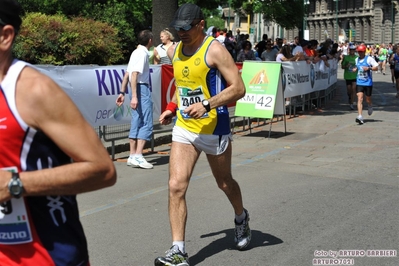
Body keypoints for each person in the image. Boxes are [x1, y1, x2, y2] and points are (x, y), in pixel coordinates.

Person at [0, 1, 117, 265]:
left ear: (5, 36)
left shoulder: (34, 91)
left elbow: (102, 169)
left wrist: (15, 185)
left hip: (46, 256)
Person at [154, 3, 251, 266]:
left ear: (199, 24)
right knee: (176, 186)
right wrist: (172, 107)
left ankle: (241, 218)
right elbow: (183, 86)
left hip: (213, 128)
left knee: (224, 183)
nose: (181, 33)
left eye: (186, 28)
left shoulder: (215, 50)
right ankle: (178, 251)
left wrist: (207, 104)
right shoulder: (175, 50)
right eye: (178, 29)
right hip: (185, 128)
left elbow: (239, 88)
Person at [116, 30, 154, 169]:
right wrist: (134, 96)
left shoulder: (135, 52)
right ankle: (138, 155)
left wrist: (122, 92)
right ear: (150, 40)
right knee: (146, 121)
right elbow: (134, 74)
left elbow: (127, 73)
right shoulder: (142, 53)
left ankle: (132, 155)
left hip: (136, 89)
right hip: (140, 88)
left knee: (137, 120)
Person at [352, 44, 379, 125]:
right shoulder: (356, 59)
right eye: (359, 52)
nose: (360, 53)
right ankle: (360, 116)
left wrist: (369, 68)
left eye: (361, 52)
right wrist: (355, 69)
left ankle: (370, 105)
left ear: (364, 52)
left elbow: (376, 67)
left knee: (367, 99)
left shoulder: (369, 59)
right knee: (359, 98)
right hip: (359, 82)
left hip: (368, 83)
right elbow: (357, 67)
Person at [341, 44, 358, 110]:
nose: (352, 51)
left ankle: (351, 103)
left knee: (354, 89)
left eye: (353, 50)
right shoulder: (346, 57)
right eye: (351, 50)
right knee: (349, 90)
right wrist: (346, 66)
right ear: (349, 51)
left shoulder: (357, 58)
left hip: (355, 76)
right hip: (348, 76)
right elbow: (342, 66)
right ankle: (350, 97)